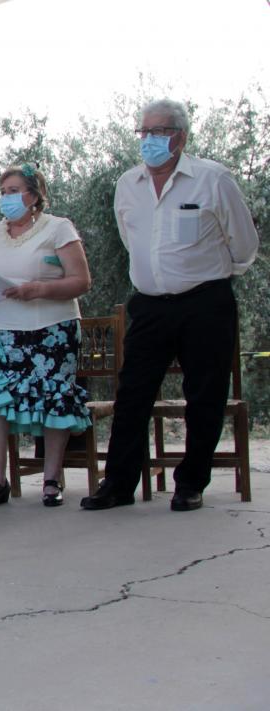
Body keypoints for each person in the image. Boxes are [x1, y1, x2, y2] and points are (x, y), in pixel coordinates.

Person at [82, 99, 259, 513]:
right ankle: (119, 484)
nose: (147, 141)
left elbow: (245, 245)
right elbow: (131, 239)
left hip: (205, 303)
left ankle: (190, 483)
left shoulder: (212, 179)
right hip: (149, 305)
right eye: (142, 132)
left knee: (205, 394)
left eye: (157, 132)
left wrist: (204, 275)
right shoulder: (128, 184)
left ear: (179, 137)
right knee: (133, 394)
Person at [0, 165, 93, 508]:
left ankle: (51, 479)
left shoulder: (58, 228)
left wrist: (38, 289)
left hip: (49, 330)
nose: (6, 197)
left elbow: (81, 281)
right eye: (2, 190)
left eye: (13, 190)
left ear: (33, 195)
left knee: (53, 398)